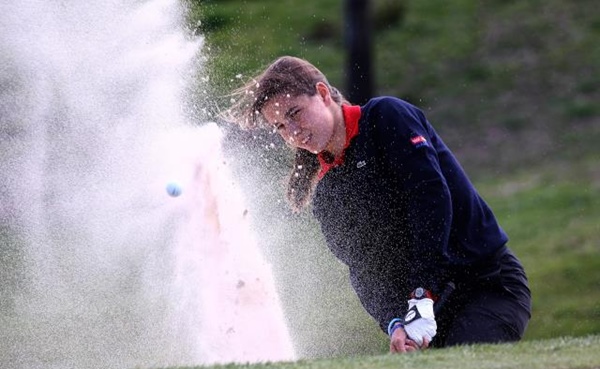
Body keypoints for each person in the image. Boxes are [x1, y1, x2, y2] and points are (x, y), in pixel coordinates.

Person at [225, 56, 531, 353]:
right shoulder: (329, 195)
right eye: (279, 126)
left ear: (321, 94)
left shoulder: (386, 117)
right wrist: (395, 323)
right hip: (428, 314)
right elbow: (364, 272)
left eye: (294, 113)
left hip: (486, 285)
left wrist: (421, 295)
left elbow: (431, 199)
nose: (292, 132)